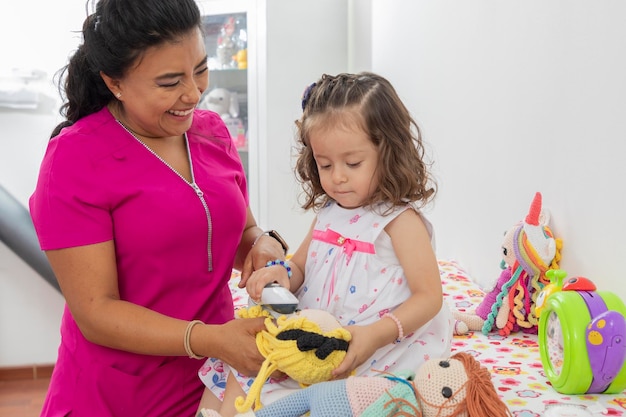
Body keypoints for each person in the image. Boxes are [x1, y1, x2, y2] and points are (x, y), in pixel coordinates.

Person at [28, 0, 289, 416]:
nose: (194, 92)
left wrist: (265, 244)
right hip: (120, 394)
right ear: (115, 82)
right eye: (169, 82)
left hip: (217, 381)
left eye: (200, 69)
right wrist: (210, 338)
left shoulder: (212, 133)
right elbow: (96, 312)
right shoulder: (75, 160)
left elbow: (240, 233)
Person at [197, 72, 454, 416]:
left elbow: (429, 297)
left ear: (388, 151)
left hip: (375, 343)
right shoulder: (331, 212)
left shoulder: (399, 222)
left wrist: (375, 334)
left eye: (353, 163)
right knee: (241, 365)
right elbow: (300, 265)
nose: (337, 177)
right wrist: (281, 275)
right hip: (318, 335)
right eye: (325, 164)